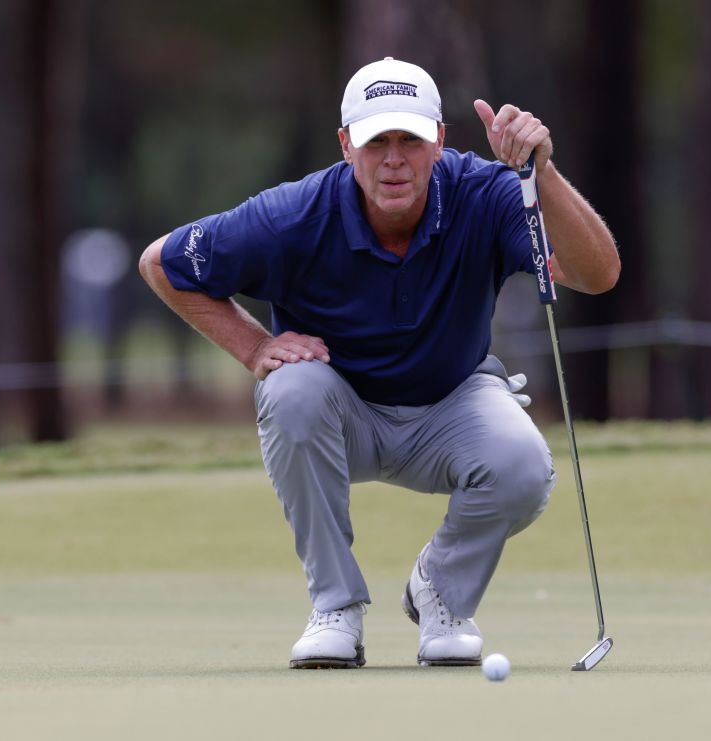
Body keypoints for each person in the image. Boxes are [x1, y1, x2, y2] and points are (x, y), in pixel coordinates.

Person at [139, 57, 619, 669]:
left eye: (411, 140)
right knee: (291, 391)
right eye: (377, 142)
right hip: (342, 415)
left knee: (524, 465)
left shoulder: (491, 193)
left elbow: (597, 274)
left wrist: (541, 175)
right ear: (346, 146)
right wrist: (255, 347)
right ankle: (335, 608)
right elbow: (161, 262)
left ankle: (442, 594)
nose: (394, 159)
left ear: (439, 141)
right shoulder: (292, 215)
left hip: (453, 403)